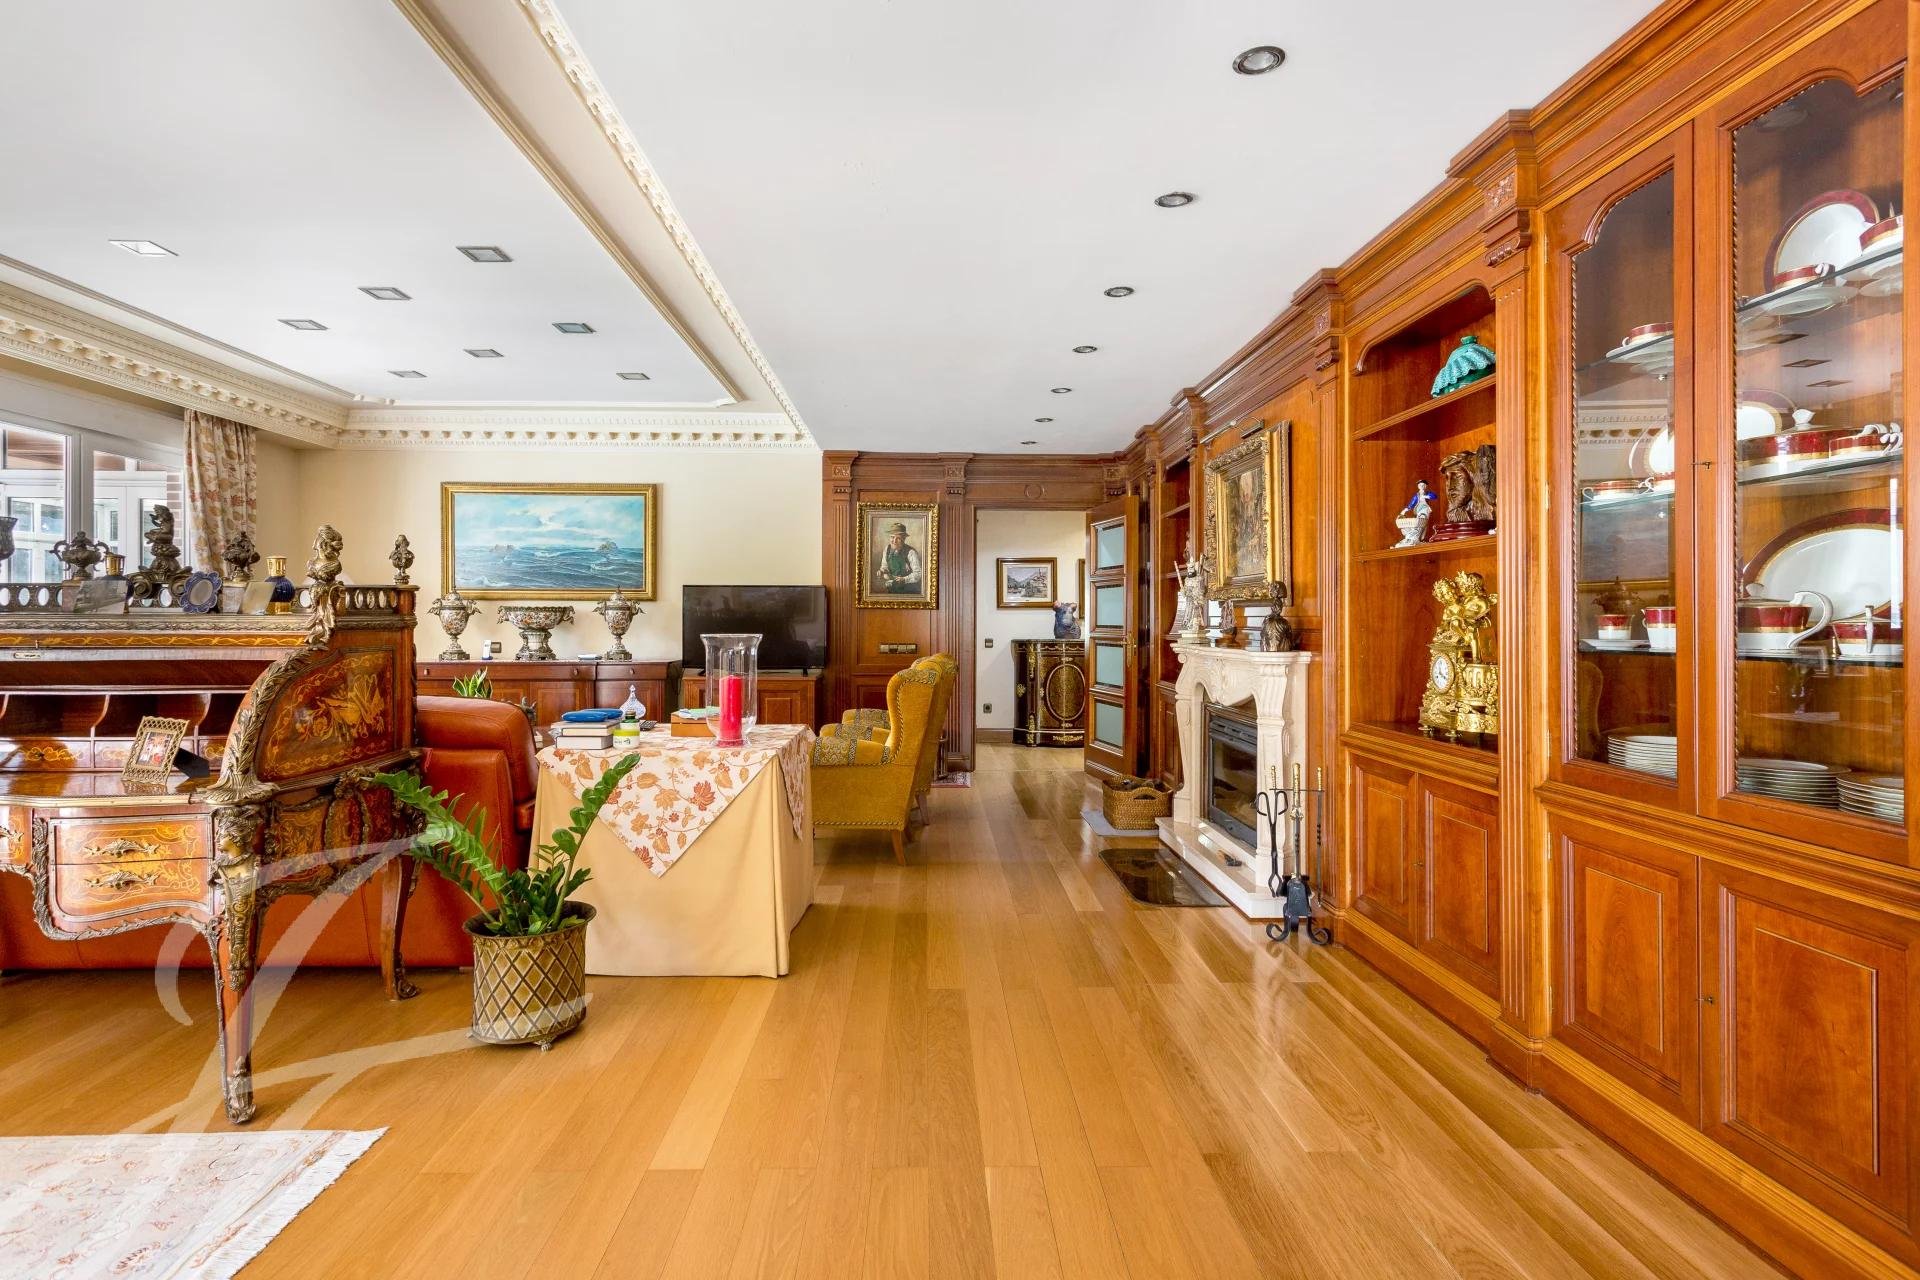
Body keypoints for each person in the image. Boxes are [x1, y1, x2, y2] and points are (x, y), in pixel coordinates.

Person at [874, 520, 922, 595]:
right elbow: (885, 566)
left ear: (904, 539)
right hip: (892, 588)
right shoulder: (887, 549)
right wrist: (882, 571)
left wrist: (904, 579)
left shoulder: (911, 552)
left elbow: (918, 574)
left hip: (908, 590)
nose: (894, 541)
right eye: (892, 537)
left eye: (898, 538)